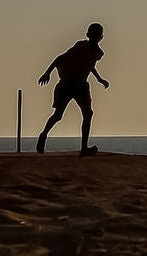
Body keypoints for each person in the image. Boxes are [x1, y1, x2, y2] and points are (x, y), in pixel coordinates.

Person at [37, 22, 110, 156]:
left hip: (81, 86)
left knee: (88, 113)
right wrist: (47, 73)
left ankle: (84, 147)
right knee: (58, 115)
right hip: (67, 84)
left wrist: (99, 79)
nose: (95, 37)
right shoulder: (80, 46)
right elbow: (61, 58)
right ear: (88, 35)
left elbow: (89, 65)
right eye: (93, 34)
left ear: (100, 37)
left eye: (97, 35)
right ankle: (43, 134)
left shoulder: (98, 53)